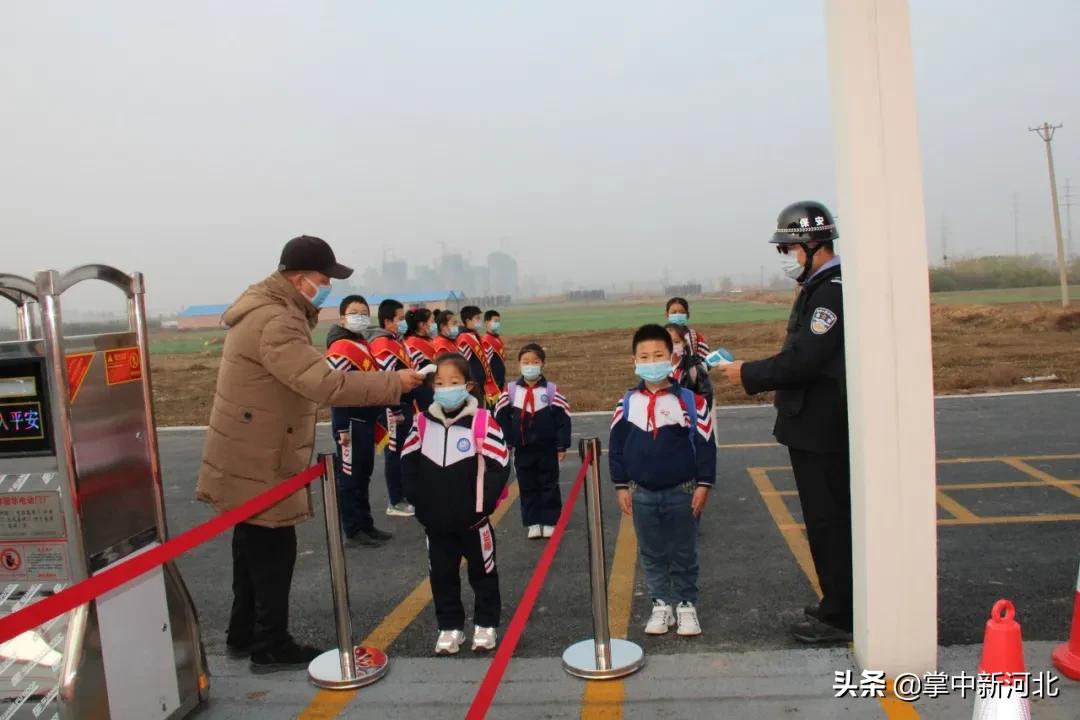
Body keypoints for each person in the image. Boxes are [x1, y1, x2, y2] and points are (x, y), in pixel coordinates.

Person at [196, 235, 423, 673]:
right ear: (299, 279)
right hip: (260, 454)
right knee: (273, 550)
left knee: (250, 548)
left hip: (245, 447)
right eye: (323, 279)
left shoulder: (264, 309)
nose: (326, 288)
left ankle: (242, 635)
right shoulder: (277, 321)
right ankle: (270, 644)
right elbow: (325, 384)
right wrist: (395, 384)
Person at [719, 200, 851, 644]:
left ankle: (841, 615)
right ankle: (837, 602)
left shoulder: (831, 292)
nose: (788, 260)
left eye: (790, 250)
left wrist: (747, 373)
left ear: (813, 245)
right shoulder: (819, 288)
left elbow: (804, 361)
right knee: (824, 521)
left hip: (822, 429)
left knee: (829, 521)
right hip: (813, 426)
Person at [401, 353, 511, 656]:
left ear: (468, 385)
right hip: (435, 523)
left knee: (484, 574)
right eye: (439, 383)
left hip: (474, 522)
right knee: (442, 575)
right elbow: (407, 466)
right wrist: (420, 504)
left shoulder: (483, 422)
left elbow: (500, 465)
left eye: (454, 382)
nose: (447, 388)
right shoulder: (421, 424)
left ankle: (486, 625)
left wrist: (481, 505)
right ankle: (449, 627)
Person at [609, 324, 715, 638]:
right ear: (634, 362)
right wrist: (620, 485)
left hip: (682, 491)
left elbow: (707, 445)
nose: (651, 361)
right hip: (641, 493)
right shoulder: (626, 402)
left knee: (684, 552)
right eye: (644, 356)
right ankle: (660, 604)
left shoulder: (691, 402)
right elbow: (616, 447)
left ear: (671, 358)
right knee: (651, 552)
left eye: (658, 355)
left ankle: (685, 605)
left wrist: (704, 485)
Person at [325, 295, 395, 548]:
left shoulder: (362, 343)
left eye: (364, 312)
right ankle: (353, 528)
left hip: (366, 419)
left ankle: (366, 524)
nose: (360, 316)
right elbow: (336, 389)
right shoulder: (340, 347)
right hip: (350, 422)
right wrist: (342, 426)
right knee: (350, 477)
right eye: (355, 312)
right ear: (342, 317)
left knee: (363, 474)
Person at [503, 343, 571, 539]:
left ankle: (550, 521)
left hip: (546, 449)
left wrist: (561, 444)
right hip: (522, 449)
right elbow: (500, 417)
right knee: (527, 485)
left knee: (549, 484)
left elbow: (563, 418)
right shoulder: (511, 391)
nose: (530, 365)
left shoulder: (550, 390)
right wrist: (507, 441)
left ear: (542, 364)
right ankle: (533, 522)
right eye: (526, 362)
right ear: (518, 365)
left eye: (535, 362)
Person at [367, 299, 418, 518]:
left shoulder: (396, 341)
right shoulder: (383, 344)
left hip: (404, 403)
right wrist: (394, 408)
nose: (403, 322)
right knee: (394, 453)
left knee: (403, 452)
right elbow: (385, 379)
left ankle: (404, 495)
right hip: (393, 408)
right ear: (387, 321)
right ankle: (395, 500)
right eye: (400, 318)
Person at [456, 305, 499, 407]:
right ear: (467, 320)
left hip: (481, 384)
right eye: (477, 318)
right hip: (474, 384)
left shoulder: (474, 335)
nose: (479, 321)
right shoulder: (464, 339)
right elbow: (462, 363)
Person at [666, 323, 714, 407]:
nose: (672, 346)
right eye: (667, 342)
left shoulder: (695, 369)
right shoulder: (657, 370)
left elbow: (706, 399)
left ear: (684, 343)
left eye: (676, 342)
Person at [481, 310, 507, 392]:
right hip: (493, 382)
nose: (498, 323)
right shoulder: (486, 340)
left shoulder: (496, 338)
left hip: (500, 379)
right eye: (495, 321)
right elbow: (486, 363)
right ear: (487, 323)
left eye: (499, 321)